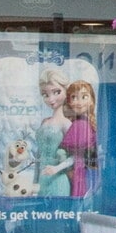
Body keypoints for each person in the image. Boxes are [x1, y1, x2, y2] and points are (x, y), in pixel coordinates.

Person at [36, 63, 73, 196]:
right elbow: (38, 155)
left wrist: (57, 168)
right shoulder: (44, 122)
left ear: (66, 92)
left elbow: (76, 157)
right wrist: (35, 182)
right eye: (45, 94)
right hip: (41, 179)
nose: (51, 99)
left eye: (56, 92)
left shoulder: (66, 124)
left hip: (58, 179)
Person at [61, 80, 98, 199]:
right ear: (69, 102)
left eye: (84, 96)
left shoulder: (81, 124)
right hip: (82, 171)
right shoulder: (82, 123)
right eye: (74, 97)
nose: (79, 102)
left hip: (81, 171)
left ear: (91, 100)